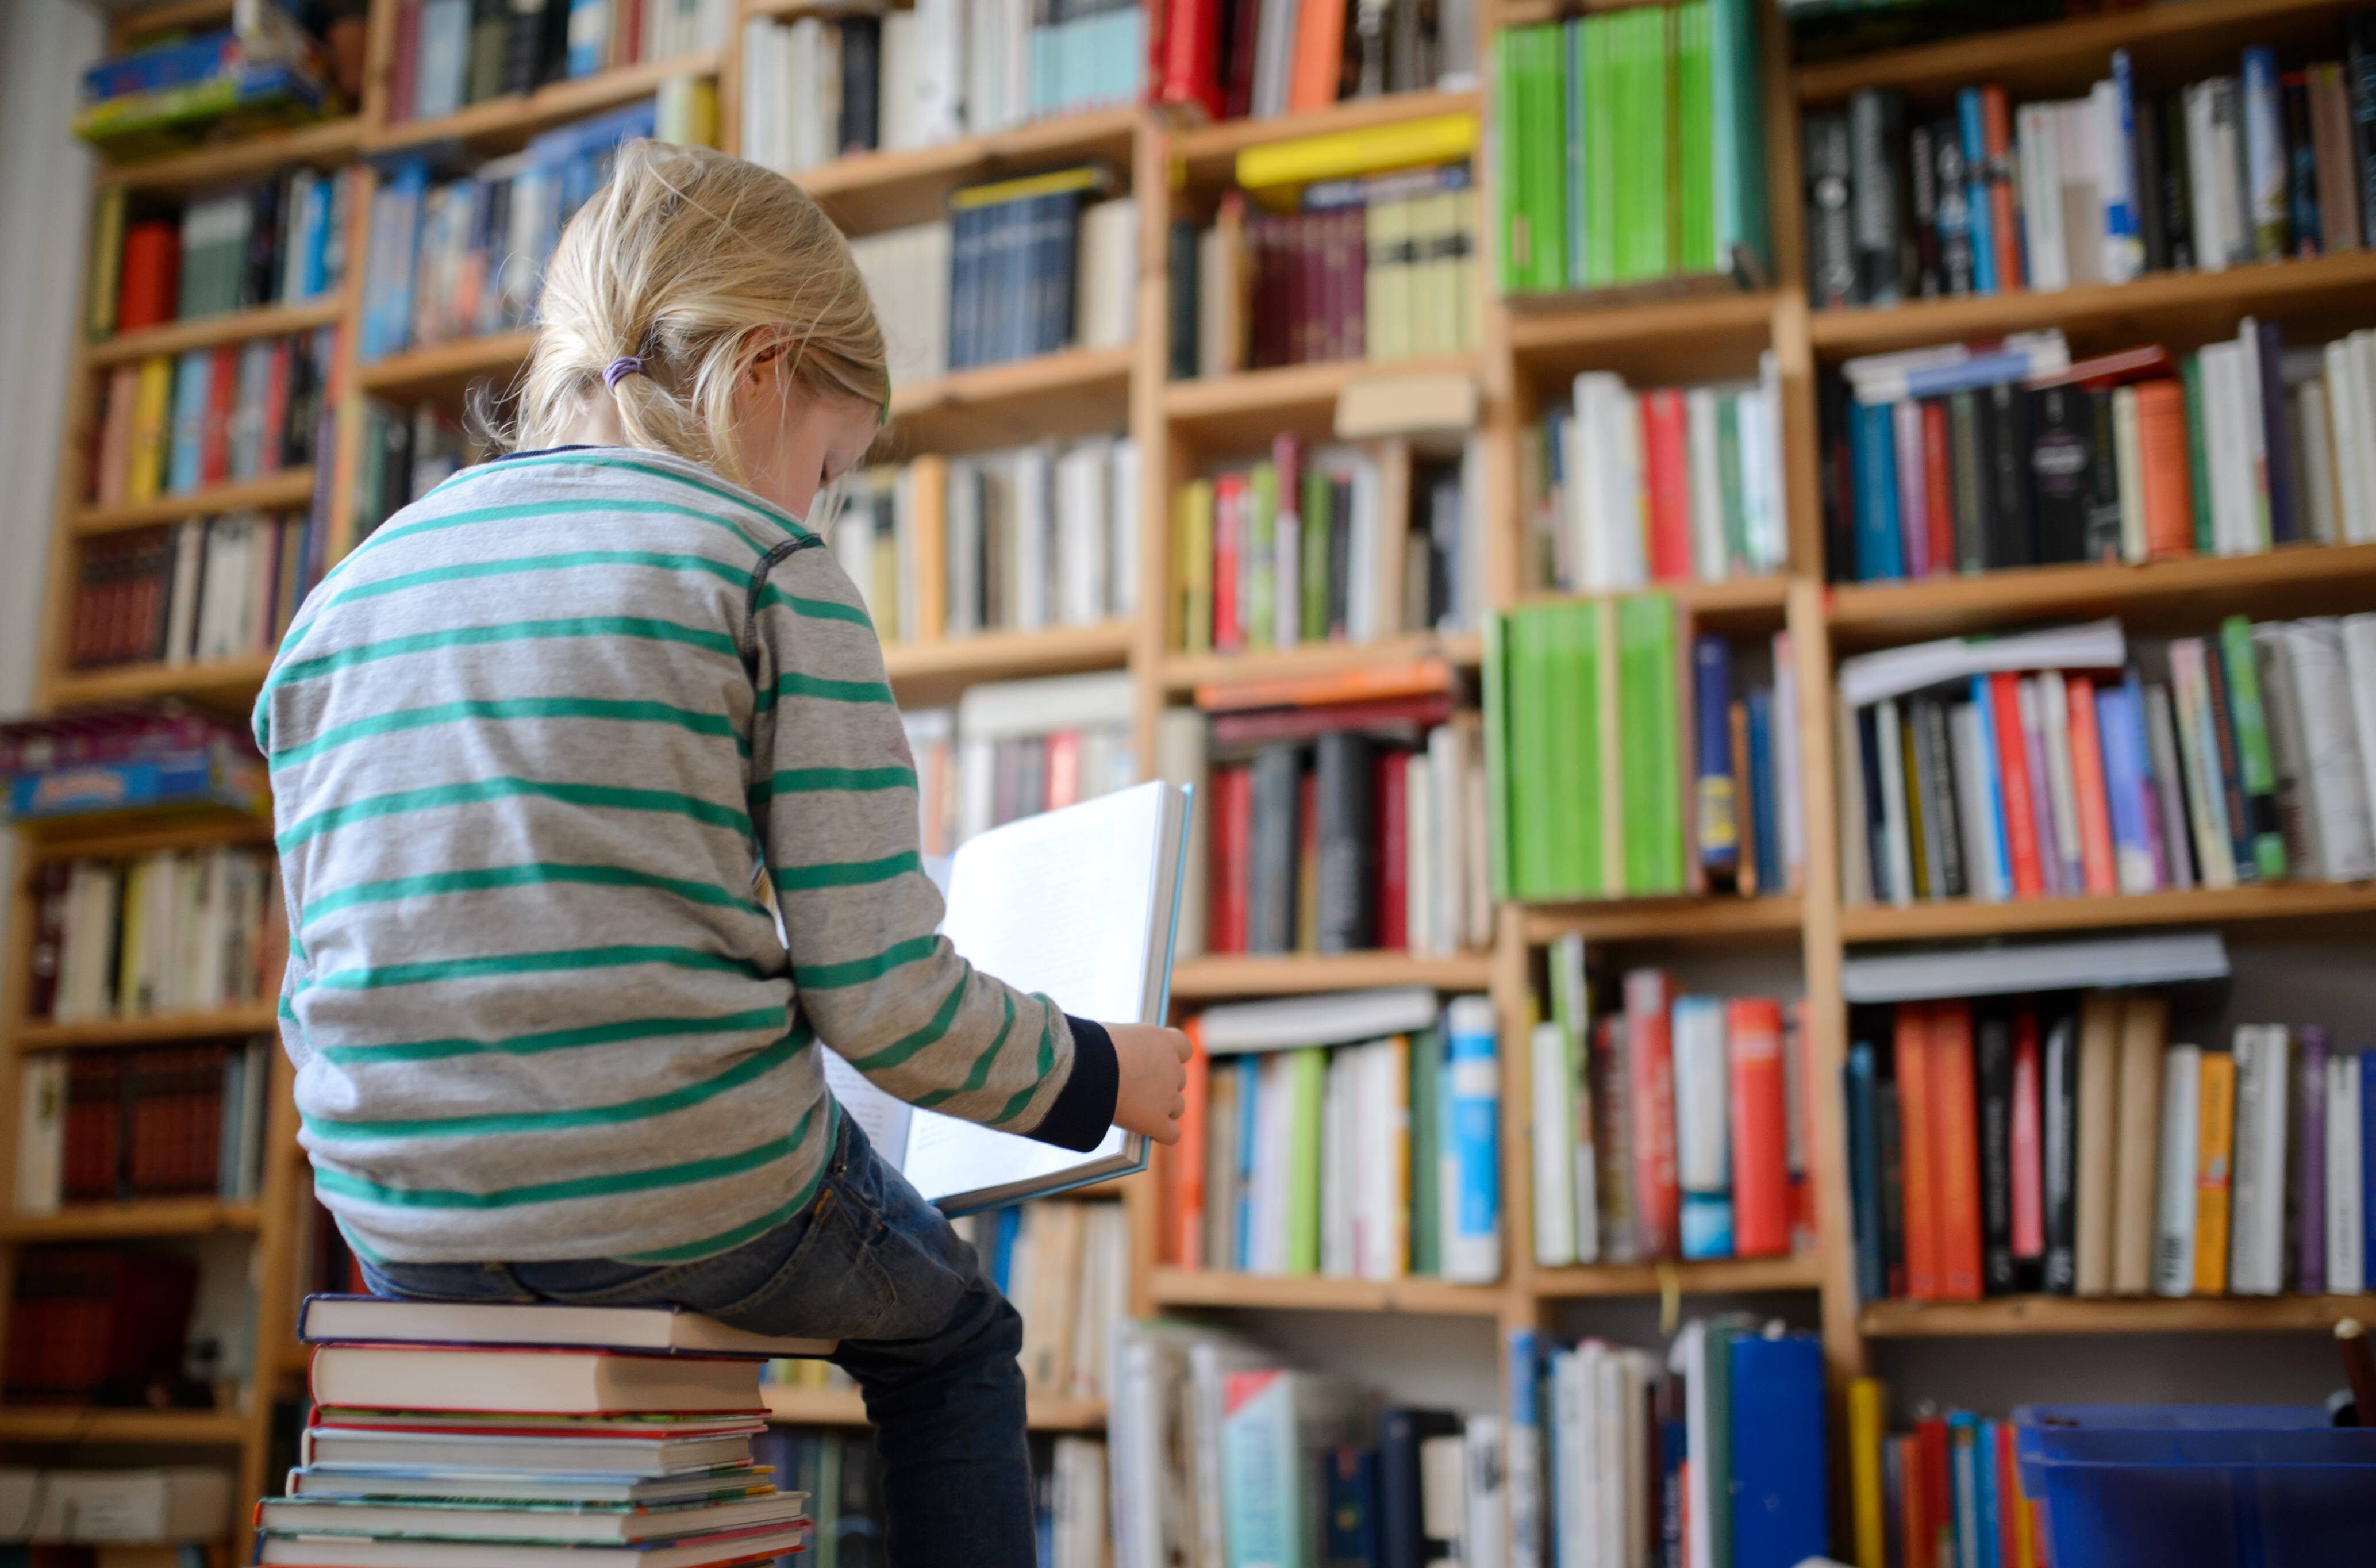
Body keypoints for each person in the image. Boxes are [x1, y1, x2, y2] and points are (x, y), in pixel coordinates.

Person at [257, 139, 1190, 1566]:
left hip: (400, 1212)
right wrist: (1103, 1073)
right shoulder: (764, 567)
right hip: (683, 1193)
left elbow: (330, 963)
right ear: (759, 368)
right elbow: (885, 1005)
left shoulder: (341, 596)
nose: (815, 508)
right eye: (829, 468)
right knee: (955, 1337)